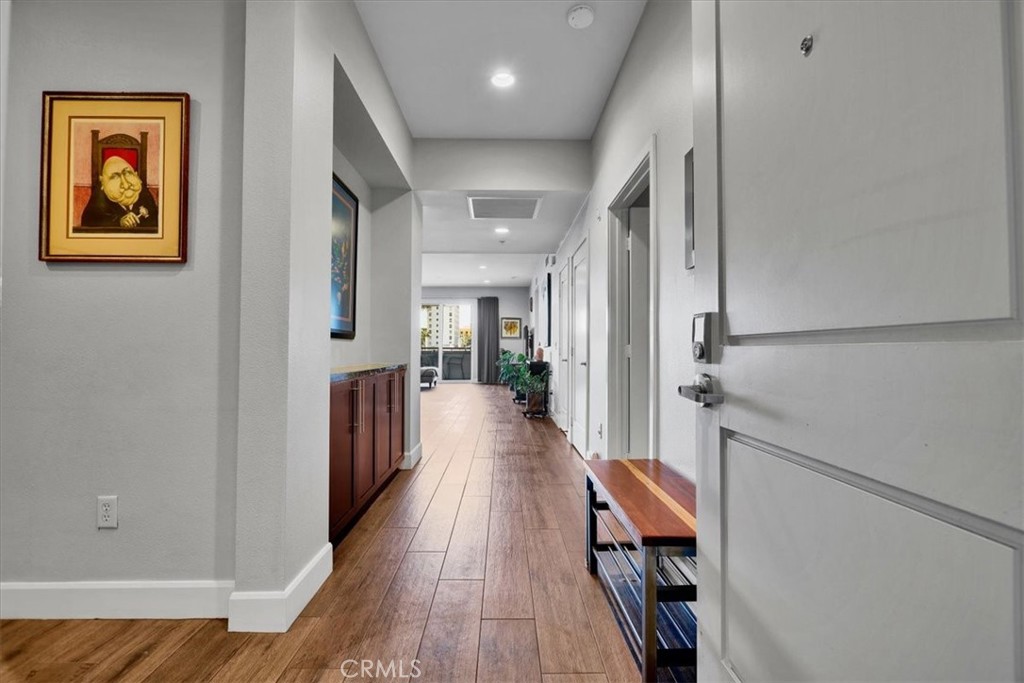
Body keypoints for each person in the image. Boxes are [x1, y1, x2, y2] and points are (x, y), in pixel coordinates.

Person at [79, 155, 159, 231]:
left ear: (136, 175)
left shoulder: (141, 190)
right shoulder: (99, 196)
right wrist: (118, 223)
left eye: (127, 173)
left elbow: (155, 222)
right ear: (103, 182)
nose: (126, 185)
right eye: (115, 177)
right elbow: (89, 224)